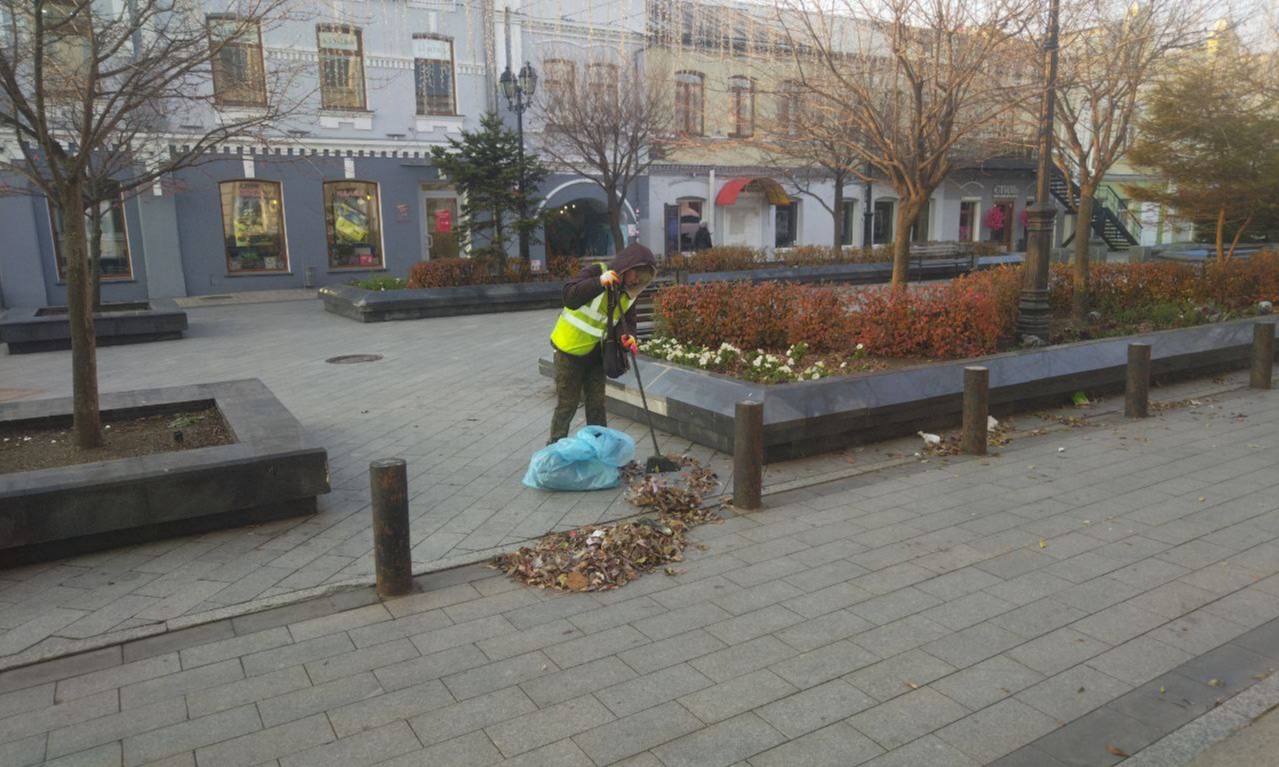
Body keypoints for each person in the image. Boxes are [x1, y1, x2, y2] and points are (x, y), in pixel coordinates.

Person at [548, 243, 657, 443]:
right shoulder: (598, 271)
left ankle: (599, 448)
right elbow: (569, 296)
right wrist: (598, 283)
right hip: (569, 350)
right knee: (567, 404)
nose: (636, 280)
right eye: (636, 274)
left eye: (642, 278)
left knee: (597, 405)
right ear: (627, 266)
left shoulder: (629, 293)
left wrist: (629, 336)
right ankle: (552, 451)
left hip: (596, 355)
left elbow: (628, 322)